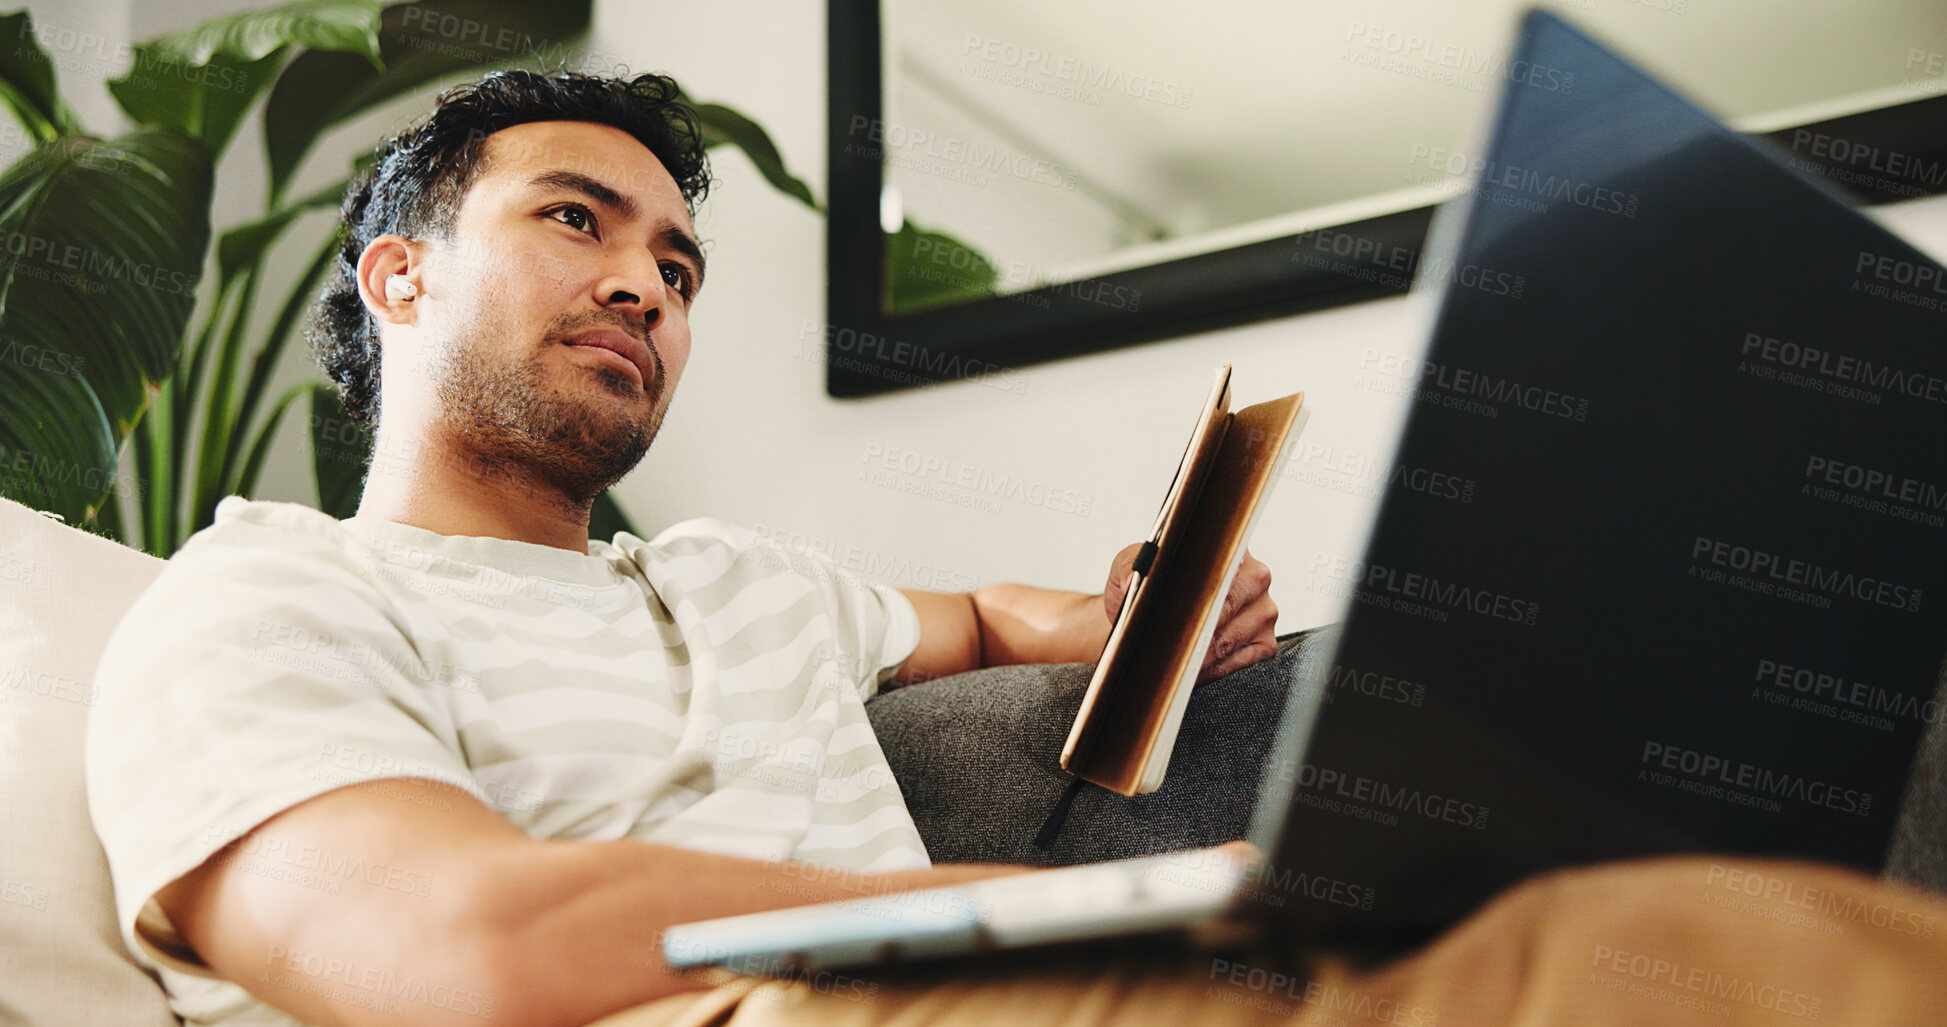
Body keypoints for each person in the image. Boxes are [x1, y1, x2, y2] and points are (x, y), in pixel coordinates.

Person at [84, 69, 1280, 1027]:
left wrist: (1140, 608)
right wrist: (1036, 907)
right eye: (572, 219)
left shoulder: (743, 582)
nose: (644, 288)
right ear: (401, 278)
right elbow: (462, 955)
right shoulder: (262, 595)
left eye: (675, 268)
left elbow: (981, 618)